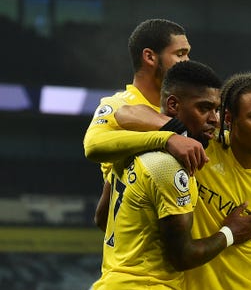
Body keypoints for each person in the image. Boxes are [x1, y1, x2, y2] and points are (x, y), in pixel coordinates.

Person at [90, 61, 251, 290]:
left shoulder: (131, 148)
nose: (213, 119)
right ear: (173, 105)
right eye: (204, 108)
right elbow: (181, 256)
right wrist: (230, 232)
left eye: (216, 110)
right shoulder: (171, 169)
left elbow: (101, 217)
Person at [84, 18, 208, 231]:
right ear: (150, 57)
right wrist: (167, 138)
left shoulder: (190, 106)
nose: (188, 61)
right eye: (180, 54)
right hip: (145, 246)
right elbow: (93, 146)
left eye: (187, 53)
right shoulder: (118, 104)